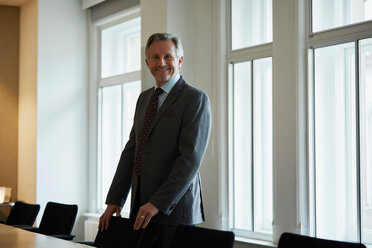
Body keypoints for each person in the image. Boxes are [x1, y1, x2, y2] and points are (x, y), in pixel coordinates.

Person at [98, 32, 212, 248]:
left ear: (179, 60)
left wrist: (157, 203)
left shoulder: (195, 99)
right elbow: (132, 150)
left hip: (175, 212)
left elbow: (190, 160)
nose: (161, 63)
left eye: (168, 57)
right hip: (140, 207)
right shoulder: (144, 98)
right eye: (155, 57)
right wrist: (115, 199)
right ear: (147, 62)